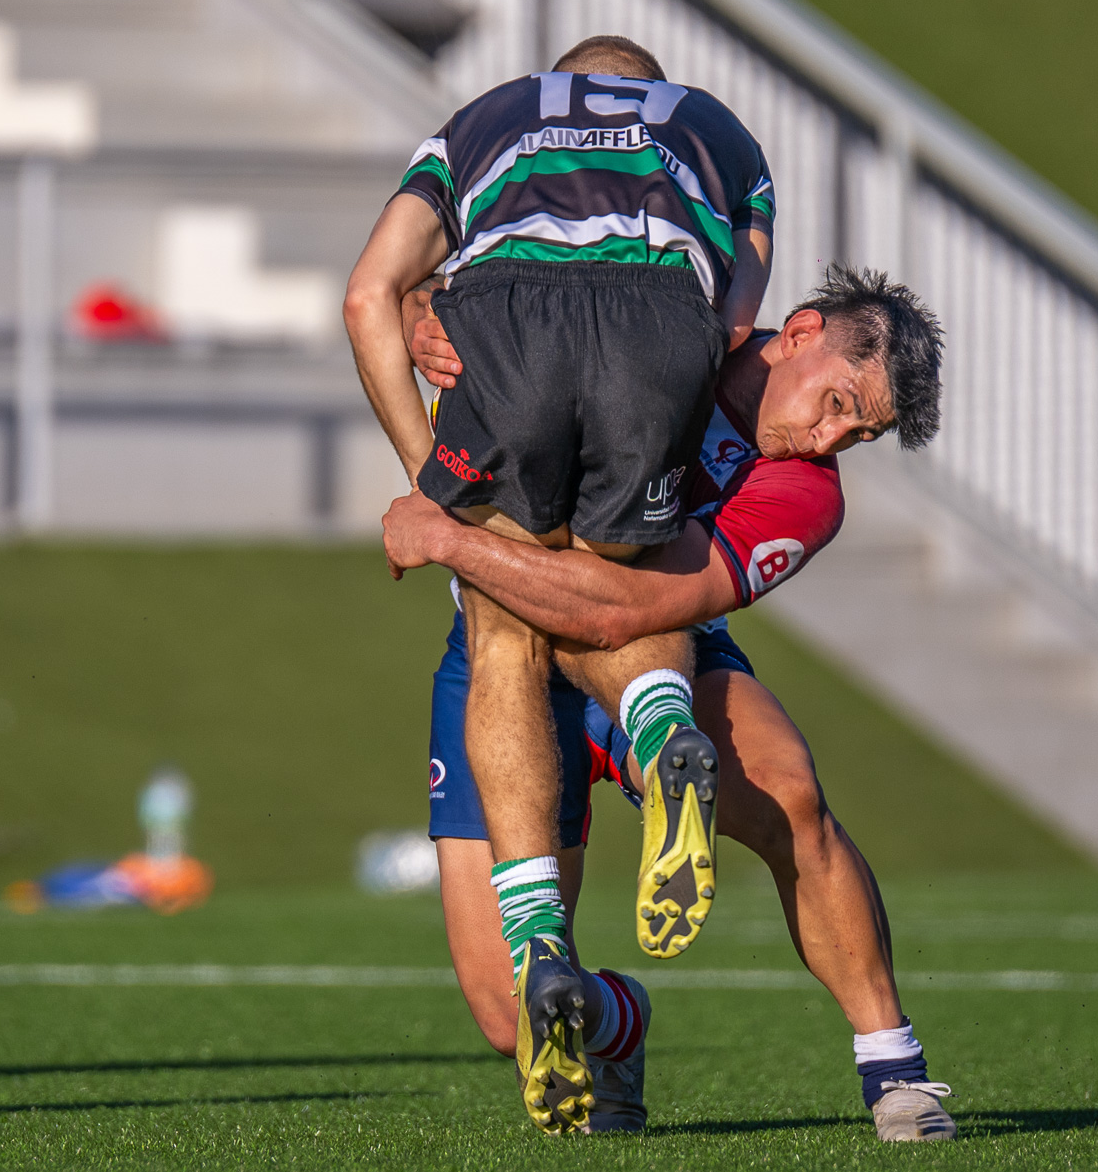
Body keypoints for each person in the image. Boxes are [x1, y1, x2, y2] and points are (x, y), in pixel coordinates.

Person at [385, 266, 959, 1142]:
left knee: (788, 794)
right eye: (838, 401)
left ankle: (897, 1069)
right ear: (797, 332)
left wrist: (448, 540)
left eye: (859, 432)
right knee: (510, 1018)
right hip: (502, 666)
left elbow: (627, 609)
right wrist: (430, 318)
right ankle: (617, 1020)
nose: (829, 438)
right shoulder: (664, 332)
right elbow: (422, 281)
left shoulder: (807, 494)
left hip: (649, 649)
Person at [342, 36, 775, 1130]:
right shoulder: (717, 129)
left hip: (508, 325)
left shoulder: (489, 116)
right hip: (657, 325)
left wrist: (428, 485)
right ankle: (660, 722)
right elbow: (732, 321)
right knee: (609, 576)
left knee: (501, 626)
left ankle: (542, 935)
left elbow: (366, 296)